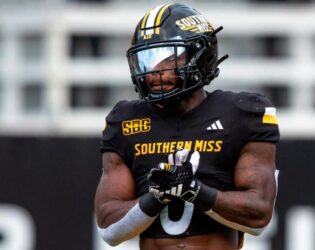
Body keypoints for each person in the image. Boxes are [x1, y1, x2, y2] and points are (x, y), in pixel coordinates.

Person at [94, 2, 280, 250]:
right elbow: (109, 228)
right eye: (146, 60)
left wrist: (194, 190)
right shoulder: (126, 121)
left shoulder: (242, 114)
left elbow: (258, 217)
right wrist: (157, 197)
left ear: (200, 55)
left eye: (166, 58)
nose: (153, 73)